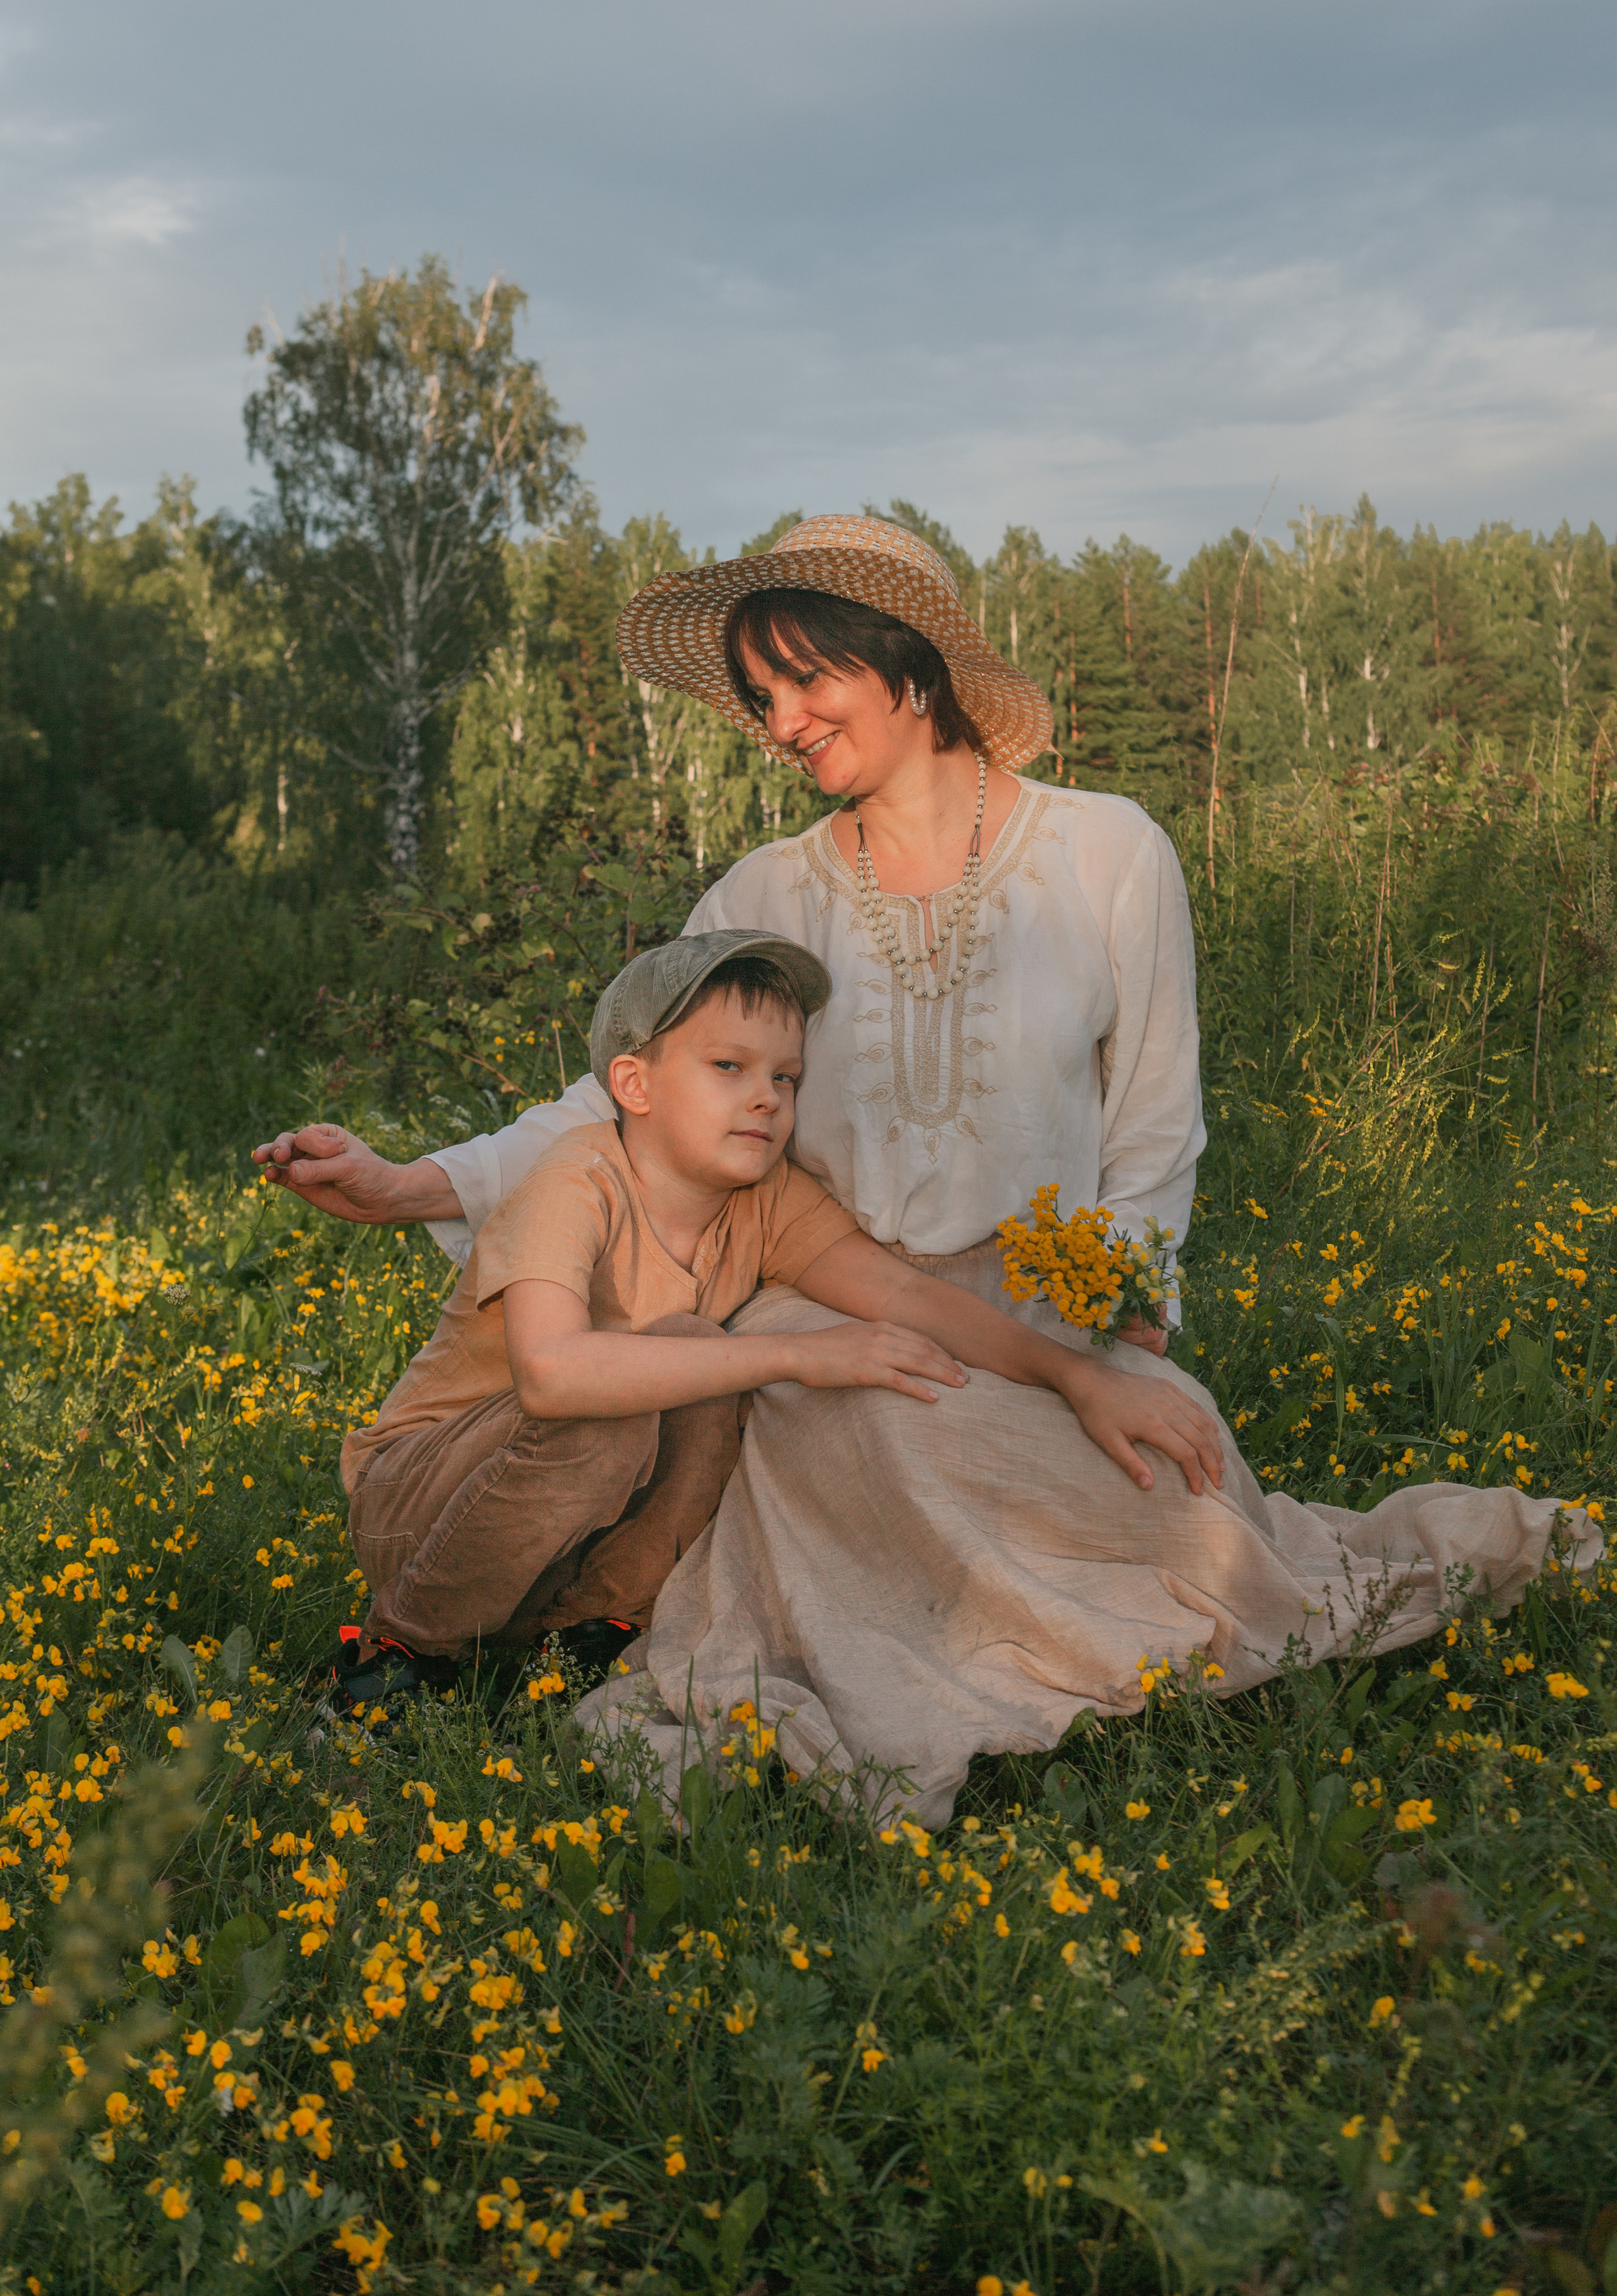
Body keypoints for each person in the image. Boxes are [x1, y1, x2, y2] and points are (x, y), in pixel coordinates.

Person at [260, 514, 1601, 1820]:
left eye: (801, 678)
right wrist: (410, 1182)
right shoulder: (758, 899)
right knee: (881, 1423)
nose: (777, 722)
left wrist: (1124, 1308)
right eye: (756, 696)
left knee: (1173, 1510)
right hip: (825, 1300)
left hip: (1040, 1306)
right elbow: (624, 1108)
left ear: (907, 660)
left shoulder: (1108, 854)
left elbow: (1152, 1123)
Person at [331, 926, 1224, 1719]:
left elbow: (910, 1297)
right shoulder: (577, 1179)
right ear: (634, 1085)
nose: (766, 1098)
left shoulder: (763, 1200)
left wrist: (1078, 1374)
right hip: (424, 1508)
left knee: (703, 1369)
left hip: (568, 1523)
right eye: (729, 1068)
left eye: (785, 1077)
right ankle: (404, 1652)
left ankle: (582, 1638)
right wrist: (797, 1351)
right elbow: (552, 1375)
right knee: (692, 1356)